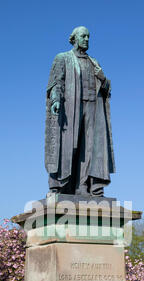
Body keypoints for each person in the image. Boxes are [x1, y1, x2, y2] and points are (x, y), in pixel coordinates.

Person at [45, 26, 115, 197]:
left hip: (93, 108)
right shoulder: (63, 58)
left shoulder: (94, 62)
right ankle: (61, 185)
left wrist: (103, 78)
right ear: (74, 39)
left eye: (88, 36)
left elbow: (107, 90)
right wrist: (55, 99)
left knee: (90, 148)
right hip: (71, 108)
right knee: (70, 146)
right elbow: (56, 82)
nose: (86, 39)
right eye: (83, 36)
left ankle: (83, 186)